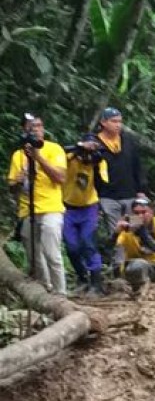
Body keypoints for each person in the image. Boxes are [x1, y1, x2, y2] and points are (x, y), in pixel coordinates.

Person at [7, 113, 67, 295]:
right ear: (24, 130)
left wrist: (38, 157)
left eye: (40, 126)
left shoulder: (54, 149)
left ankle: (61, 292)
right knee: (34, 256)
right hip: (27, 210)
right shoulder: (18, 156)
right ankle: (44, 290)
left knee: (52, 253)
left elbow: (60, 177)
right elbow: (12, 188)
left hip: (51, 208)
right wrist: (17, 182)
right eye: (32, 127)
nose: (37, 130)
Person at [62, 132, 108, 296]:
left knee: (88, 243)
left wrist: (94, 157)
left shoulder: (98, 161)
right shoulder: (69, 158)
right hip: (67, 208)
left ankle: (96, 282)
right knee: (72, 247)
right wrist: (79, 150)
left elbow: (103, 181)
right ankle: (82, 277)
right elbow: (60, 157)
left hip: (89, 207)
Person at [95, 107, 146, 237]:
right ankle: (118, 258)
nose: (118, 125)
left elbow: (137, 166)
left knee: (136, 229)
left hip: (130, 195)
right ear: (103, 122)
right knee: (116, 233)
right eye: (114, 121)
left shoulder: (127, 140)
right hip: (108, 196)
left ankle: (137, 255)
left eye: (119, 121)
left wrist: (141, 190)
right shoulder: (96, 143)